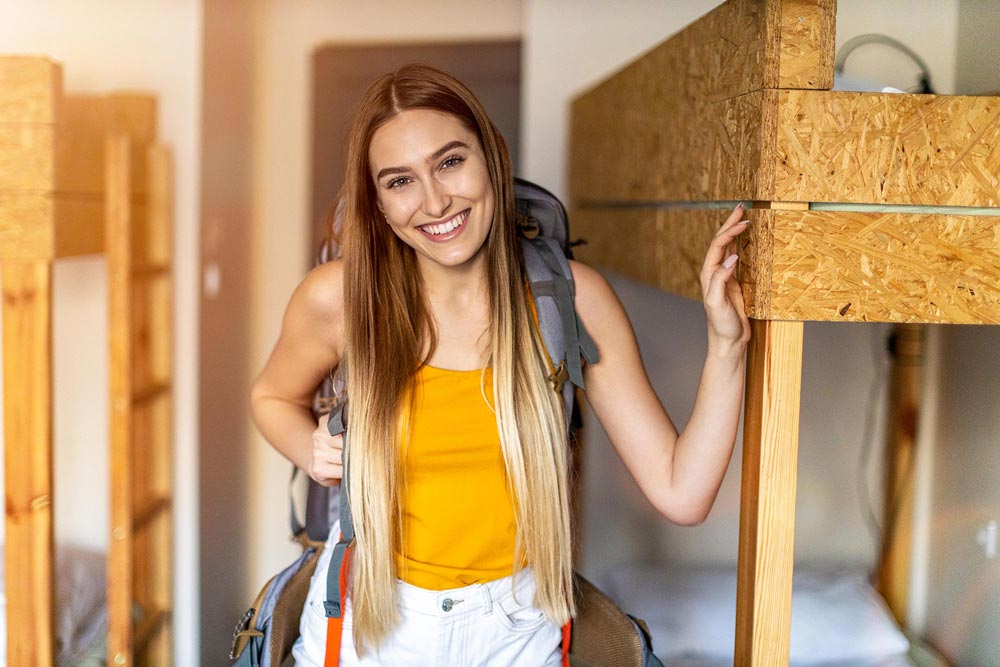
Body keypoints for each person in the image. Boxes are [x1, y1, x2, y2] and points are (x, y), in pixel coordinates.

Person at [249, 63, 751, 667]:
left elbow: (683, 492)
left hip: (518, 630)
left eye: (450, 162)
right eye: (400, 181)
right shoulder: (339, 299)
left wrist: (727, 345)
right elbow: (270, 398)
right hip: (369, 627)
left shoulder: (571, 298)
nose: (434, 201)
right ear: (378, 204)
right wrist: (308, 448)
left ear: (491, 158)